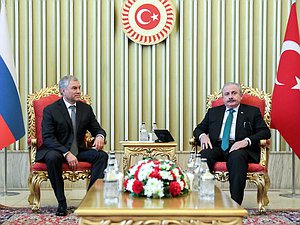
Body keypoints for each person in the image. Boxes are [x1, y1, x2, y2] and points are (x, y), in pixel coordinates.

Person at [36, 75, 108, 216]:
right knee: (52, 157)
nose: (78, 91)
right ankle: (62, 202)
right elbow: (48, 138)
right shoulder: (51, 110)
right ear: (63, 91)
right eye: (74, 88)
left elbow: (97, 129)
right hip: (56, 150)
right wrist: (66, 153)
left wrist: (100, 136)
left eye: (79, 88)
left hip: (78, 150)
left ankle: (90, 199)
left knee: (102, 156)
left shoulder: (85, 109)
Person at [193, 82, 271, 205]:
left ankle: (235, 204)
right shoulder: (213, 112)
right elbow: (198, 129)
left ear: (241, 96)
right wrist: (202, 136)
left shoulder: (252, 112)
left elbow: (265, 132)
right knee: (204, 156)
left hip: (240, 148)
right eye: (227, 94)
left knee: (237, 157)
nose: (230, 97)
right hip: (217, 147)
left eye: (234, 93)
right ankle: (204, 200)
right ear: (223, 98)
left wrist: (246, 141)